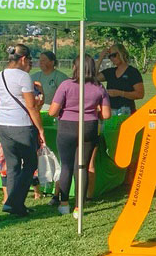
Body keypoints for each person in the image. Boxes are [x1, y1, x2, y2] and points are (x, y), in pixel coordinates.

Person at [48, 56, 111, 215]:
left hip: (67, 127)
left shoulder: (66, 85)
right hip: (89, 127)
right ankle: (79, 206)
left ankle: (63, 204)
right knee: (81, 166)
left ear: (75, 67)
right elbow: (107, 114)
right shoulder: (99, 87)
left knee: (67, 166)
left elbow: (52, 112)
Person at [0, 44, 45, 217]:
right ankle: (14, 202)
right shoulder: (24, 77)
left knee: (13, 165)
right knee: (30, 164)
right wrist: (40, 129)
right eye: (29, 59)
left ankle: (14, 204)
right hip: (20, 125)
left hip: (3, 124)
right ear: (23, 59)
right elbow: (31, 106)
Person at [98, 43, 145, 116]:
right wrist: (101, 57)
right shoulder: (110, 72)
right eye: (109, 57)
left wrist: (120, 93)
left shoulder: (132, 72)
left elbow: (140, 94)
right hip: (111, 112)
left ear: (121, 54)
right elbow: (92, 77)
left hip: (127, 111)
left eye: (114, 55)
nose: (112, 58)